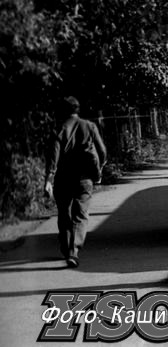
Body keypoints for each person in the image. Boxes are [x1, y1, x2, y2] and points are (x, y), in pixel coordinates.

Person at [44, 96, 107, 268]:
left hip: (62, 178)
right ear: (78, 109)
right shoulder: (89, 126)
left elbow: (53, 157)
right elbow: (102, 151)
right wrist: (99, 170)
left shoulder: (59, 128)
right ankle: (74, 251)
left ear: (63, 111)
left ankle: (66, 249)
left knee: (64, 213)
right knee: (81, 214)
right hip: (84, 178)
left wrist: (49, 179)